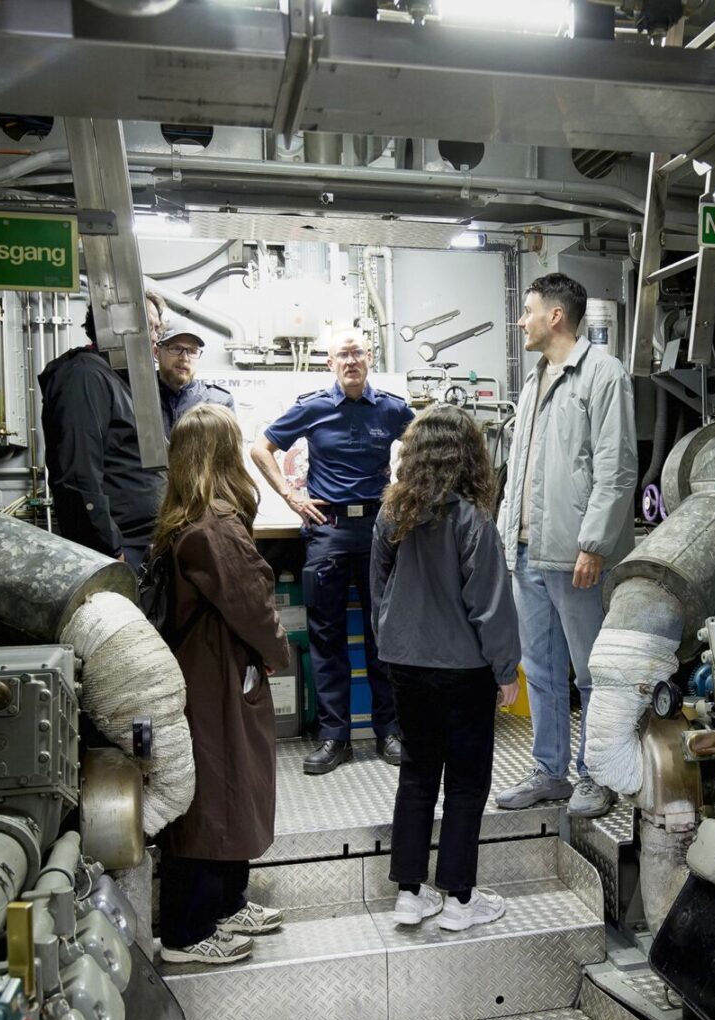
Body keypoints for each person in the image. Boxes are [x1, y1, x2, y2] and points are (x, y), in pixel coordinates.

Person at [151, 403, 291, 964]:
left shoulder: (187, 518)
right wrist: (276, 652)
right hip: (216, 678)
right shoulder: (214, 526)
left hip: (209, 671)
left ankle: (228, 904)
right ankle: (187, 932)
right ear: (222, 454)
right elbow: (252, 604)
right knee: (213, 795)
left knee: (230, 789)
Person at [372, 406, 522, 932]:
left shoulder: (392, 513)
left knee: (416, 774)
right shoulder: (471, 519)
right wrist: (507, 670)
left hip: (404, 663)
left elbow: (379, 588)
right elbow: (489, 602)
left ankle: (409, 895)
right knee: (465, 782)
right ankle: (460, 900)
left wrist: (390, 642)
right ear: (468, 457)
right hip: (462, 670)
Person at [494, 273, 636, 819]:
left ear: (556, 315)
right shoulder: (533, 382)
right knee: (544, 672)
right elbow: (520, 474)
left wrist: (595, 544)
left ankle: (596, 775)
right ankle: (550, 772)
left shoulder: (603, 374)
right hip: (529, 552)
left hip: (577, 556)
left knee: (590, 673)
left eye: (527, 310)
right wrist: (509, 541)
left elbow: (617, 469)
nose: (521, 320)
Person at [251, 328, 413, 775]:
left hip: (381, 530)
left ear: (370, 356)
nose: (351, 361)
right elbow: (260, 448)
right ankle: (333, 737)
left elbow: (427, 445)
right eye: (342, 355)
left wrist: (407, 493)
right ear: (329, 363)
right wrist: (291, 496)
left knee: (385, 633)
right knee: (327, 638)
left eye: (358, 352)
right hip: (329, 529)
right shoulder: (313, 408)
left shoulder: (393, 408)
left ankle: (389, 732)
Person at [38, 306, 165, 568]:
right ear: (117, 326)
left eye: (157, 328)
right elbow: (78, 474)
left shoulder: (116, 378)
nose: (155, 337)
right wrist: (109, 549)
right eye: (149, 326)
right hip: (116, 551)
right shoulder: (85, 375)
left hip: (139, 546)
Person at [154, 309, 235, 435]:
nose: (184, 358)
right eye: (176, 348)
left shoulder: (218, 403)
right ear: (156, 352)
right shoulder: (135, 395)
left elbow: (228, 453)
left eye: (192, 351)